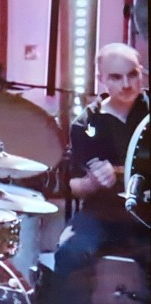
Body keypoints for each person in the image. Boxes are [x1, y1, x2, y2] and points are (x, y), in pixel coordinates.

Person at [51, 42, 150, 303]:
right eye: (116, 77)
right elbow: (74, 186)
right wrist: (92, 182)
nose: (126, 84)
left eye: (132, 75)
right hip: (102, 213)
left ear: (141, 72)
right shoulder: (85, 124)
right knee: (69, 252)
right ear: (101, 79)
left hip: (148, 213)